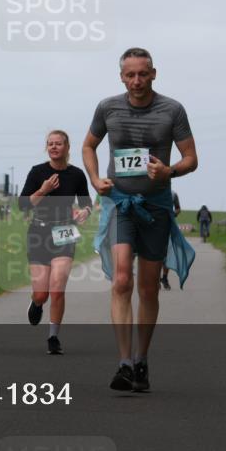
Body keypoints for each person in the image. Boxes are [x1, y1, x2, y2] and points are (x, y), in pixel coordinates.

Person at [82, 48, 198, 392]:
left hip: (156, 206)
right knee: (121, 281)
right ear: (121, 77)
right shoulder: (108, 107)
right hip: (120, 203)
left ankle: (142, 359)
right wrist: (93, 178)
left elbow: (191, 157)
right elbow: (88, 146)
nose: (136, 81)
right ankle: (124, 362)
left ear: (154, 74)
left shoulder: (172, 110)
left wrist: (170, 170)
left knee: (148, 287)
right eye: (130, 75)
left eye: (143, 74)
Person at [18, 130, 93, 355]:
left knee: (58, 287)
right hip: (39, 232)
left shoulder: (77, 175)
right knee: (42, 293)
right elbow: (23, 205)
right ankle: (37, 303)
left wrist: (85, 212)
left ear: (67, 147)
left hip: (65, 232)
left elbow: (87, 202)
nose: (53, 147)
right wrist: (43, 190)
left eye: (58, 144)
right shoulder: (37, 172)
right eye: (50, 144)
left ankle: (53, 337)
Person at [159, 192, 181, 291]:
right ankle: (155, 279)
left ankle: (164, 278)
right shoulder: (152, 190)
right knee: (155, 255)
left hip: (168, 227)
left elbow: (178, 208)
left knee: (167, 254)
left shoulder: (173, 194)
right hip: (153, 228)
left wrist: (173, 214)